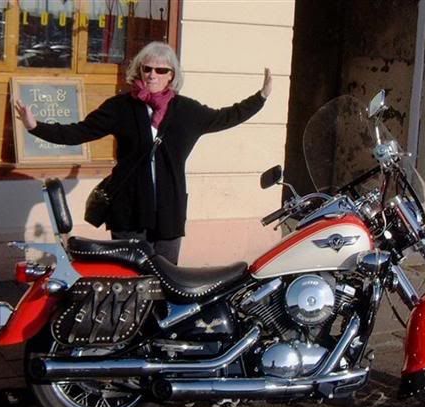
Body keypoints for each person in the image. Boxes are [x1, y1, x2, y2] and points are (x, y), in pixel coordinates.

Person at [15, 41, 272, 265]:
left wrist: (260, 97)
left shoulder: (186, 111)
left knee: (166, 277)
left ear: (171, 76)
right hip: (129, 210)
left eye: (161, 70)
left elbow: (226, 116)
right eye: (147, 68)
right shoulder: (121, 107)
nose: (152, 75)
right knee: (129, 278)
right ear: (139, 70)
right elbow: (79, 132)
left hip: (169, 210)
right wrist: (35, 126)